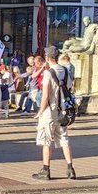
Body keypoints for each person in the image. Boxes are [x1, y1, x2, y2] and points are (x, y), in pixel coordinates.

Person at [34, 45, 76, 180]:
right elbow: (69, 88)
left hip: (49, 111)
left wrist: (40, 112)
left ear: (47, 58)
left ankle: (46, 170)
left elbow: (45, 96)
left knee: (46, 140)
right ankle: (71, 169)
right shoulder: (64, 70)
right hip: (63, 111)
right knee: (64, 139)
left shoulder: (48, 73)